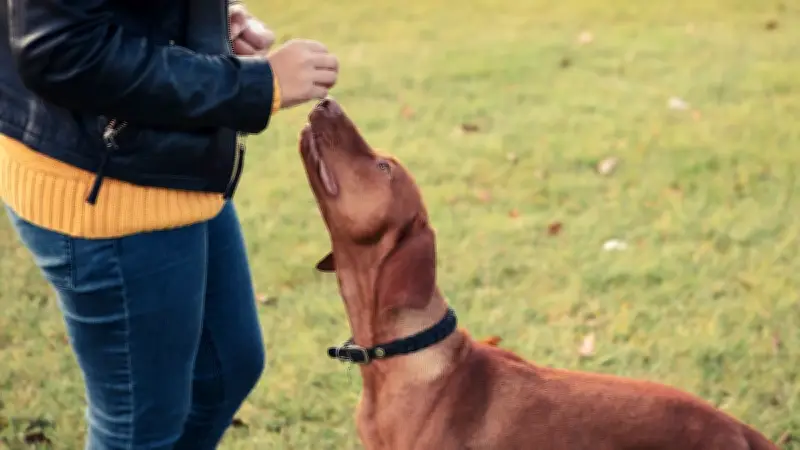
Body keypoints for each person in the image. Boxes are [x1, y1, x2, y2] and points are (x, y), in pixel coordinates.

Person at [0, 0, 338, 448]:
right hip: (107, 191)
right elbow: (61, 50)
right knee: (140, 430)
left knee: (224, 374)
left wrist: (197, 24)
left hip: (171, 167)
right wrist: (255, 85)